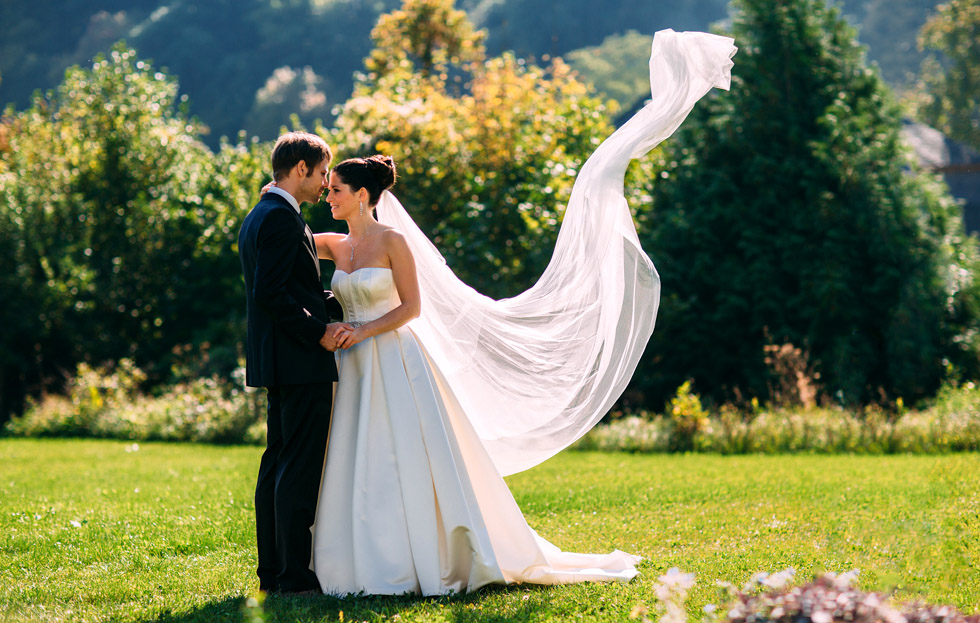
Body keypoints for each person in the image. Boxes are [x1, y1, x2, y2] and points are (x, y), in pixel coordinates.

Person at [268, 28, 736, 596]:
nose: (329, 195)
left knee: (408, 460)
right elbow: (286, 249)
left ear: (363, 195)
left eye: (337, 188)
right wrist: (276, 220)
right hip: (352, 369)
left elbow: (412, 308)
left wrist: (361, 329)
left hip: (392, 357)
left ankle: (423, 555)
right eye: (327, 187)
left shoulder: (393, 244)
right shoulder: (334, 244)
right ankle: (351, 560)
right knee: (355, 463)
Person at [238, 131, 351, 594]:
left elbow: (291, 288)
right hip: (299, 359)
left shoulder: (263, 214)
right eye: (323, 173)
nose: (326, 183)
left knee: (278, 465)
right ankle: (294, 576)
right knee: (298, 468)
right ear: (300, 168)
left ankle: (274, 572)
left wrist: (335, 302)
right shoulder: (282, 219)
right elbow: (271, 292)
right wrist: (318, 330)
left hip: (277, 360)